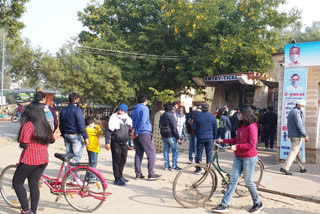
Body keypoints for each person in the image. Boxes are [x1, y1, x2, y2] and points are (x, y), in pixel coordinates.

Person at [212, 105, 263, 213]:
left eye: (240, 113)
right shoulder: (241, 126)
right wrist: (224, 140)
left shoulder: (252, 127)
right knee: (233, 180)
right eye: (238, 113)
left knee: (248, 182)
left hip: (249, 157)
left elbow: (252, 144)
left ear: (246, 114)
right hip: (238, 156)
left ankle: (258, 202)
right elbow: (236, 139)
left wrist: (237, 146)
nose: (238, 115)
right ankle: (224, 204)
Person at [12, 102, 55, 214]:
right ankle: (33, 211)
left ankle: (26, 210)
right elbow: (52, 140)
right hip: (43, 159)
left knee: (17, 182)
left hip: (30, 159)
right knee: (33, 185)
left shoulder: (29, 125)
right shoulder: (45, 124)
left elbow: (23, 144)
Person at [131, 94, 161, 180]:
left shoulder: (134, 109)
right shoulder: (144, 108)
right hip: (144, 132)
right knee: (151, 153)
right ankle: (151, 174)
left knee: (139, 153)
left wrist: (135, 131)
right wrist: (137, 131)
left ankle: (138, 174)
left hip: (137, 133)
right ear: (145, 101)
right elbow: (143, 121)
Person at [105, 104, 132, 186]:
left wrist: (131, 133)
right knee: (116, 160)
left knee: (123, 159)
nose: (119, 111)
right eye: (119, 110)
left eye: (121, 110)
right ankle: (117, 178)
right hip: (115, 142)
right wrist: (107, 142)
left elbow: (130, 129)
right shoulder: (114, 118)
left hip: (124, 142)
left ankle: (120, 175)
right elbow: (109, 131)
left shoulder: (127, 118)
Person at [280, 100, 309, 175]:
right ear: (298, 105)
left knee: (297, 151)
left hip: (293, 135)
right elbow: (300, 125)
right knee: (293, 152)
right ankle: (285, 168)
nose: (303, 108)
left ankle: (301, 167)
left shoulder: (292, 111)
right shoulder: (296, 112)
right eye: (303, 106)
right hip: (297, 135)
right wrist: (305, 135)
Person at [59, 93, 89, 163]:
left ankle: (68, 173)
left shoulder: (63, 110)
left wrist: (64, 136)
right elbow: (81, 124)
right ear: (76, 100)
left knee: (68, 158)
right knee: (76, 158)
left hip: (67, 135)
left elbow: (61, 125)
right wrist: (85, 137)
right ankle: (74, 174)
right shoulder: (77, 110)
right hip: (76, 135)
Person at [192, 103, 217, 174]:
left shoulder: (198, 116)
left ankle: (198, 169)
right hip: (209, 138)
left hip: (200, 137)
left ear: (202, 108)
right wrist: (214, 137)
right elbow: (215, 128)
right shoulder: (212, 116)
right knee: (209, 154)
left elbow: (194, 127)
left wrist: (197, 134)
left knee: (199, 153)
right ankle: (207, 169)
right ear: (208, 108)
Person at [159, 102, 181, 171]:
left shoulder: (162, 115)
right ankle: (174, 166)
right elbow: (174, 127)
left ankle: (166, 165)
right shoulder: (171, 115)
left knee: (166, 150)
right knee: (175, 150)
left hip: (164, 135)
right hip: (171, 135)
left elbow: (159, 125)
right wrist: (177, 137)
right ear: (171, 108)